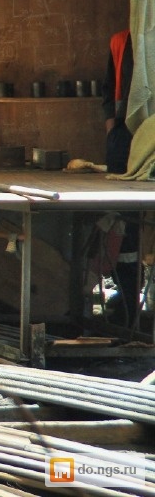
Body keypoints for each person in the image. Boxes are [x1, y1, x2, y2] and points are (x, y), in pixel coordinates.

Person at [101, 28, 140, 328]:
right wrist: (112, 127)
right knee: (123, 221)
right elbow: (108, 89)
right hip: (123, 138)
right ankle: (127, 297)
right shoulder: (119, 41)